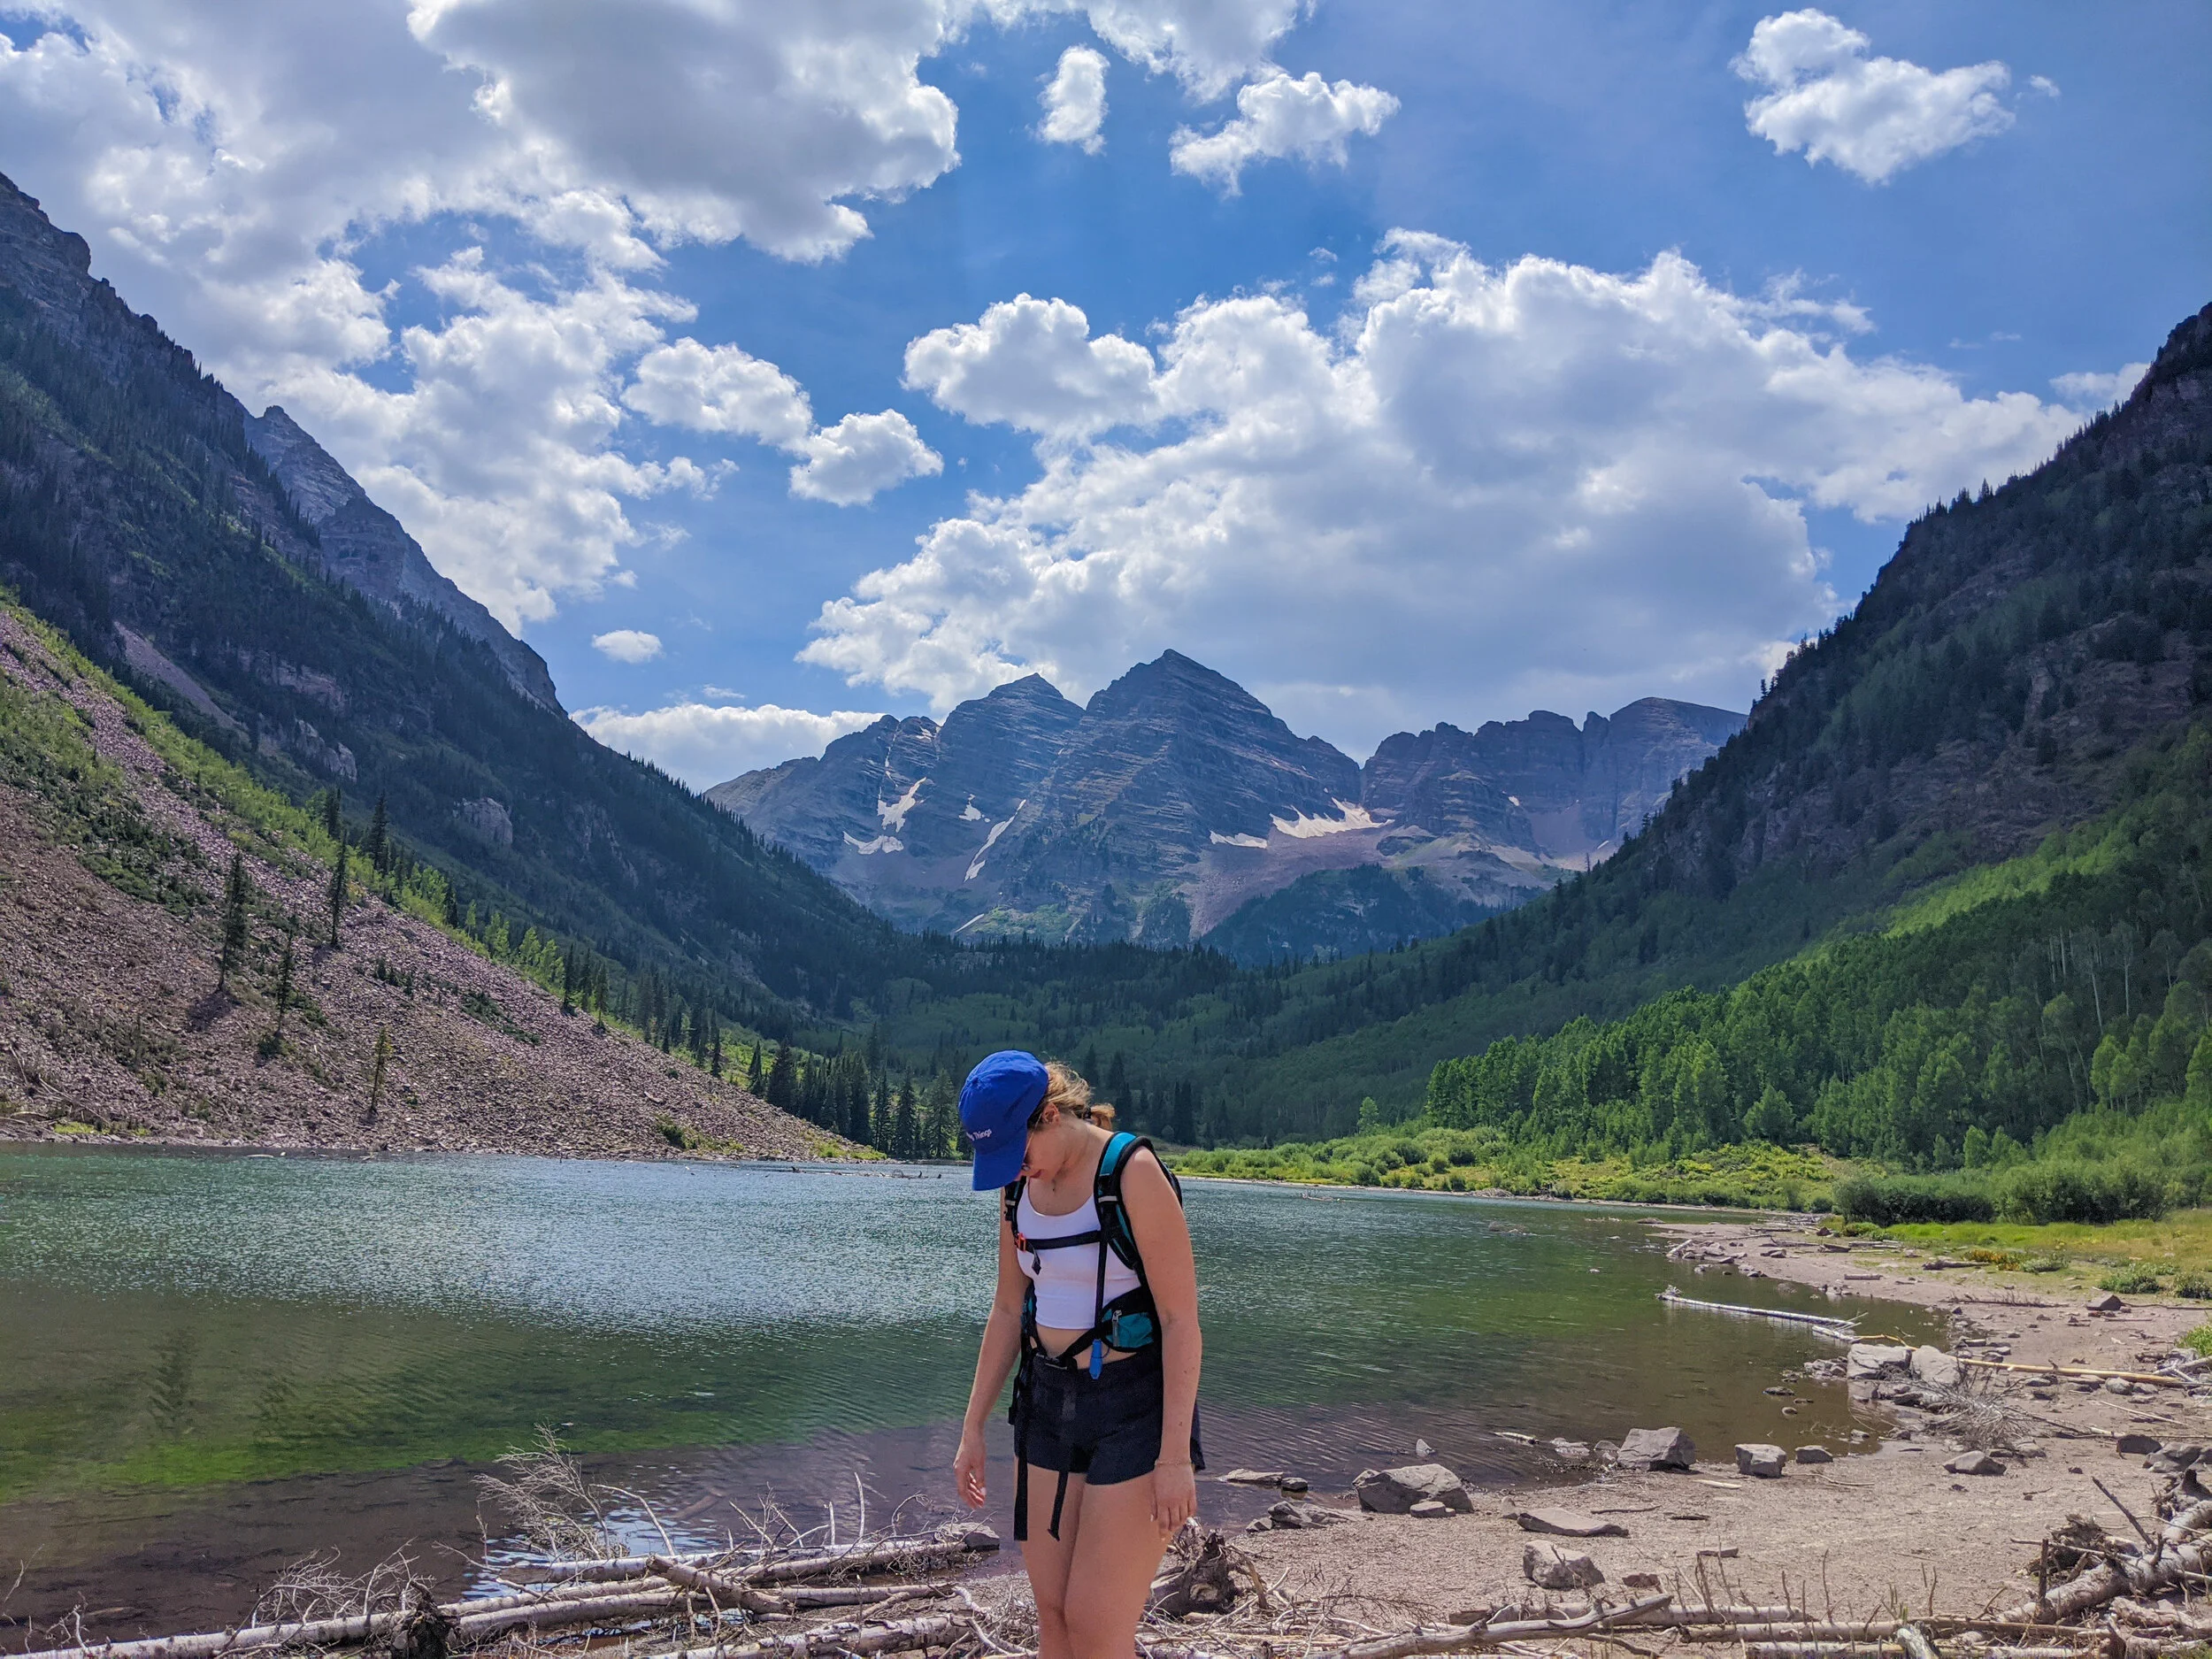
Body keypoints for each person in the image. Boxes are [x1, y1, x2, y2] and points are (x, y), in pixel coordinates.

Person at [953, 1052, 1202, 1659]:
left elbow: (1180, 1321)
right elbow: (1008, 1310)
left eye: (1018, 1152)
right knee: (1057, 1618)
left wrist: (1174, 1457)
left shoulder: (1132, 1172)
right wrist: (972, 1427)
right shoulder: (1018, 1187)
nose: (1017, 1171)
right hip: (1045, 1407)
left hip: (1135, 1412)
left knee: (1096, 1626)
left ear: (1046, 1113)